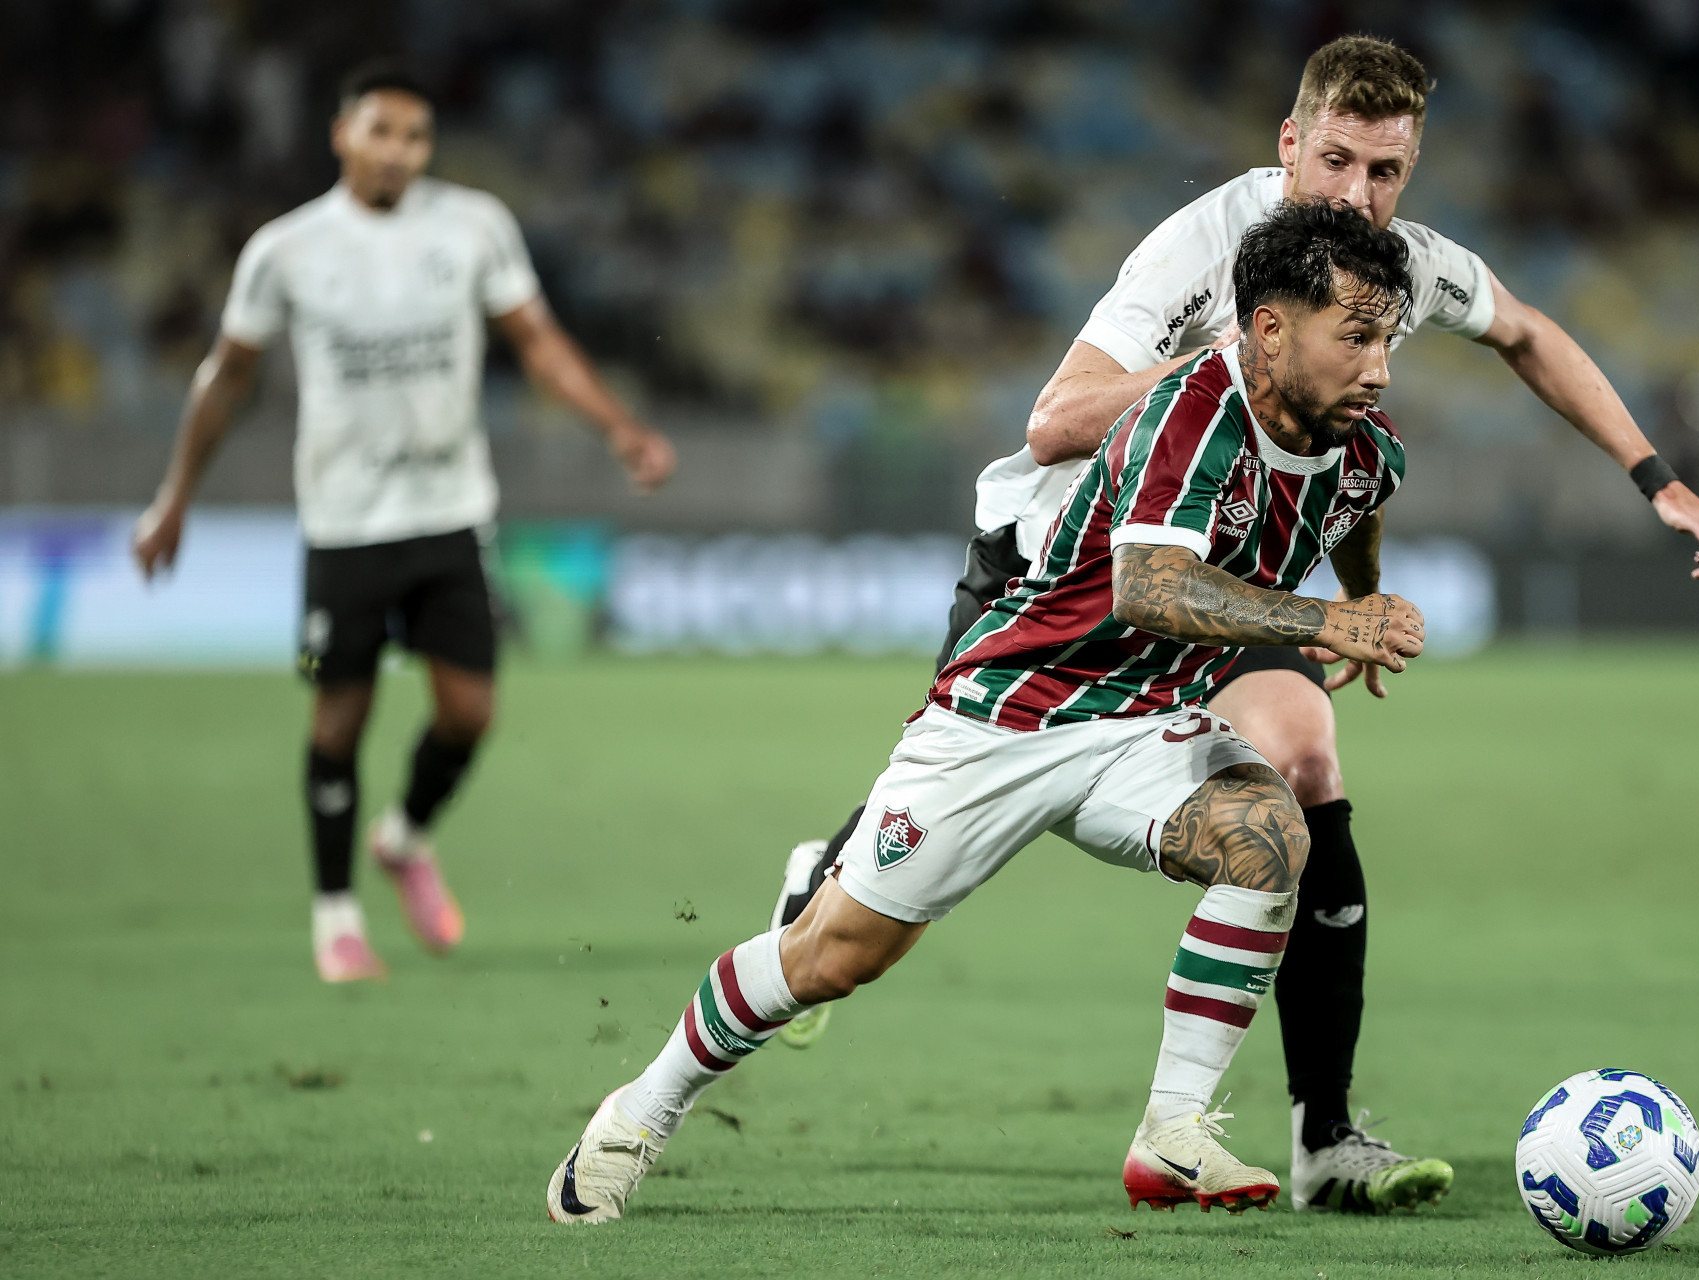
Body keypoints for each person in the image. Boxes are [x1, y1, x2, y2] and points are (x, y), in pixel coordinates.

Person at [766, 34, 1699, 1214]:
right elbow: (1057, 417)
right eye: (1336, 161)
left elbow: (1528, 332)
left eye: (1387, 171)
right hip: (1064, 571)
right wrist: (1234, 361)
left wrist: (1660, 481)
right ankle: (820, 881)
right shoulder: (1204, 250)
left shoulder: (1402, 266)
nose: (1358, 196)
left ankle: (1326, 1137)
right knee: (868, 912)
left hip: (1235, 576)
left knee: (1308, 758)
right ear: (1290, 142)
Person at [549, 198, 1424, 1225]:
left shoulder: (1364, 444)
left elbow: (1355, 510)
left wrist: (1360, 601)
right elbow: (1149, 587)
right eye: (1356, 338)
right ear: (1269, 328)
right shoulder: (1194, 411)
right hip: (1010, 714)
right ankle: (638, 1110)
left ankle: (1173, 1128)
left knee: (1271, 835)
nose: (1379, 368)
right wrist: (1326, 619)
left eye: (1389, 341)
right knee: (832, 956)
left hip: (1145, 723)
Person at [131, 62, 677, 984]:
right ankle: (336, 917)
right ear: (341, 134)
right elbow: (226, 377)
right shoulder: (287, 249)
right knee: (339, 718)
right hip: (343, 524)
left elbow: (535, 341)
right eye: (381, 130)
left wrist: (620, 429)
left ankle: (404, 836)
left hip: (451, 511)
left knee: (470, 714)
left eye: (416, 136)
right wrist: (175, 495)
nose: (399, 151)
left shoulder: (472, 228)